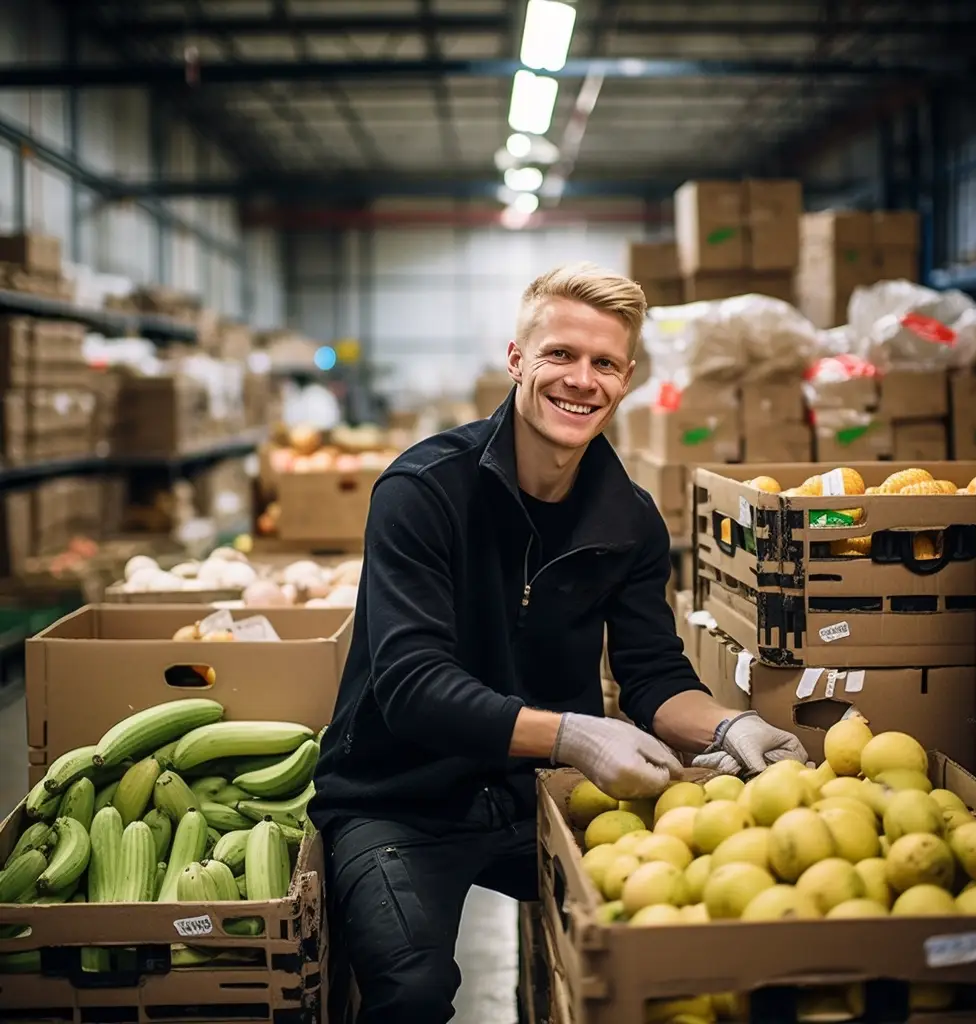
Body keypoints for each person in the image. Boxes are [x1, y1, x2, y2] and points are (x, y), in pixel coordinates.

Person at [309, 263, 808, 1023]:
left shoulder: (631, 520)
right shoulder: (422, 491)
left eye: (604, 363)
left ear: (627, 378)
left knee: (643, 939)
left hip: (531, 795)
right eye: (560, 355)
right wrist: (572, 734)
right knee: (410, 989)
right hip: (398, 798)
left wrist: (728, 725)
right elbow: (410, 685)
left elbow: (650, 676)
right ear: (517, 360)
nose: (581, 380)